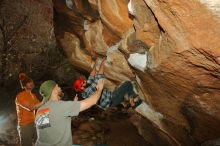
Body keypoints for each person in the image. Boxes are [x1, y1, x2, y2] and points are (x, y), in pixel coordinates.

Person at [35, 78, 105, 146]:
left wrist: (72, 108)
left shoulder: (41, 110)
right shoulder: (60, 106)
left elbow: (53, 124)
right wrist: (99, 89)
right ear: (54, 90)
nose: (60, 88)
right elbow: (91, 102)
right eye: (58, 87)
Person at [73, 58, 142, 110]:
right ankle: (131, 100)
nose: (85, 81)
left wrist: (95, 64)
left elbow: (91, 76)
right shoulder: (90, 90)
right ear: (81, 87)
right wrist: (103, 62)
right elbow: (99, 76)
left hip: (109, 103)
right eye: (83, 82)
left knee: (129, 96)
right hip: (112, 99)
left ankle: (133, 102)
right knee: (128, 84)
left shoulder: (84, 92)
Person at [15, 73, 43, 146]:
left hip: (34, 123)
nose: (31, 83)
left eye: (32, 82)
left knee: (40, 142)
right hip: (25, 125)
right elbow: (30, 108)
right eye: (28, 82)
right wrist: (45, 101)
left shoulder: (33, 96)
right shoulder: (20, 96)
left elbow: (41, 107)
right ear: (24, 85)